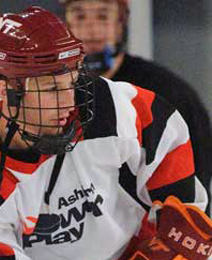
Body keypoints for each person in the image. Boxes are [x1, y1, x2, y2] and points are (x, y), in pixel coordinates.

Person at [0, 6, 212, 260]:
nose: (69, 102)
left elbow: (163, 131)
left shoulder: (105, 108)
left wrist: (178, 216)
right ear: (7, 91)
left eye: (72, 82)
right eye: (52, 89)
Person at [60, 0, 212, 216]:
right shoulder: (50, 96)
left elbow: (194, 192)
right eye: (80, 16)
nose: (91, 29)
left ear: (122, 21)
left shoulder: (169, 94)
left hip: (147, 238)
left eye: (103, 16)